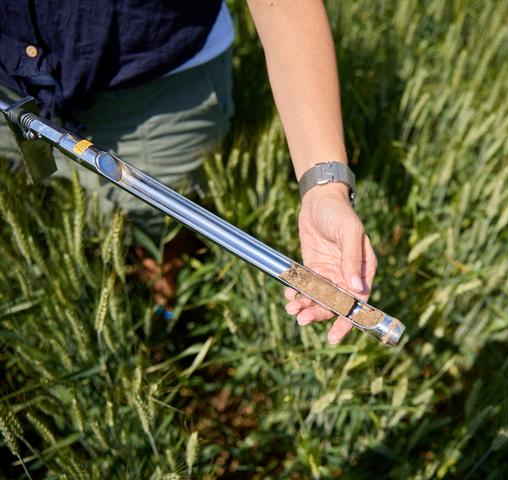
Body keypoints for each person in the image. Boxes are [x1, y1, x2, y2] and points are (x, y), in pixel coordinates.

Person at [0, 1, 376, 345]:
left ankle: (162, 321)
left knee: (159, 234)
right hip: (7, 84)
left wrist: (325, 189)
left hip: (155, 84)